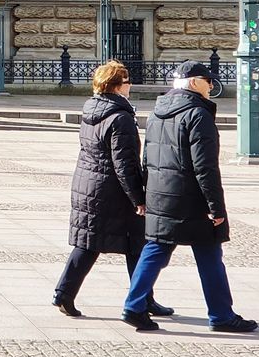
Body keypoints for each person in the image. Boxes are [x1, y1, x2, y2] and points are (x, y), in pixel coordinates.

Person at [121, 61, 259, 333]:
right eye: (208, 81)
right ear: (195, 83)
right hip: (191, 199)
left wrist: (145, 194)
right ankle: (221, 315)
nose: (211, 86)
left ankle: (133, 305)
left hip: (160, 195)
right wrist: (216, 207)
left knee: (155, 249)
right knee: (209, 255)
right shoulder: (198, 115)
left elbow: (146, 157)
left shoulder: (157, 112)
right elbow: (205, 166)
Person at [53, 60, 171, 319]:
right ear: (117, 86)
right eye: (127, 81)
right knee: (135, 244)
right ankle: (141, 299)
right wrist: (138, 199)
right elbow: (125, 164)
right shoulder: (120, 118)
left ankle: (65, 293)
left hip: (89, 185)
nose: (130, 85)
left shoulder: (92, 110)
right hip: (112, 191)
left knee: (91, 243)